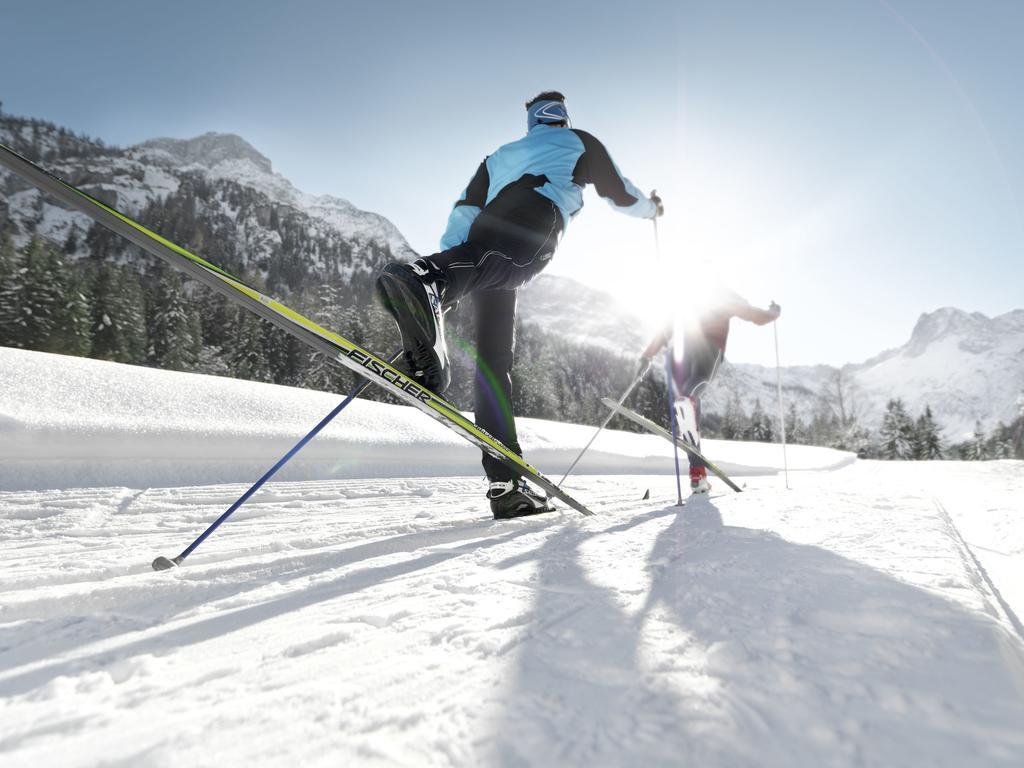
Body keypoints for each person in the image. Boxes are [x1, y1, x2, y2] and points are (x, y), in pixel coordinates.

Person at [376, 91, 662, 519]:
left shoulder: (498, 156)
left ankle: (505, 484)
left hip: (479, 241)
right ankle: (425, 279)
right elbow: (618, 193)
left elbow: (464, 210)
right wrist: (651, 209)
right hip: (535, 215)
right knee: (511, 271)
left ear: (530, 120)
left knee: (494, 363)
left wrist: (449, 282)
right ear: (562, 116)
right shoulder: (577, 141)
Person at [650, 284, 780, 494]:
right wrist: (774, 313)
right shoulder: (723, 295)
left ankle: (698, 476)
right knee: (697, 387)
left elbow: (665, 329)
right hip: (709, 346)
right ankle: (688, 398)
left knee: (689, 416)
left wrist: (647, 355)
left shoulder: (686, 294)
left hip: (682, 349)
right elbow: (756, 316)